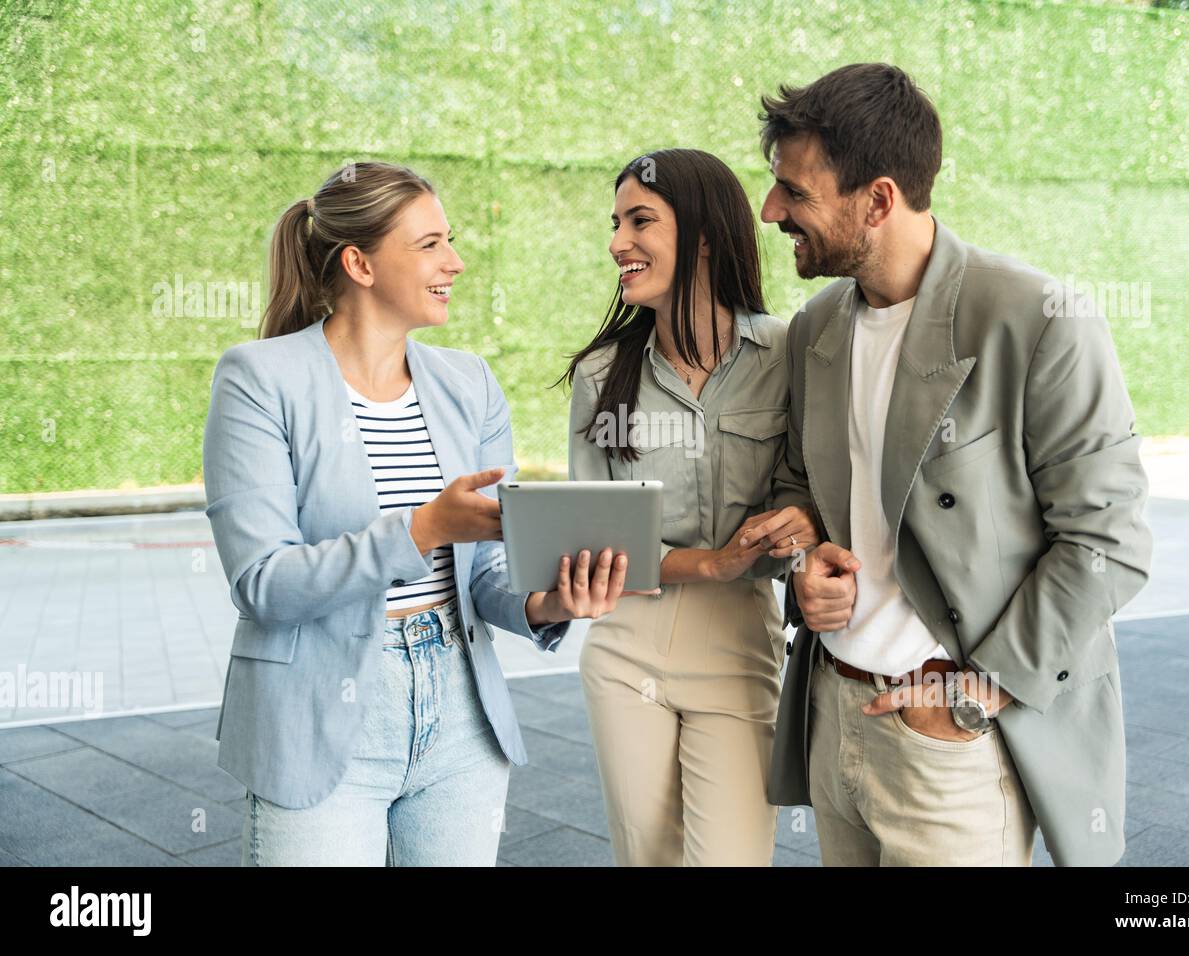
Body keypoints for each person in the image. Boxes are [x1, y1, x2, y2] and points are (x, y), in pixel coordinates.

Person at [760, 64, 1154, 866]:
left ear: (877, 200)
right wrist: (804, 561)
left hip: (951, 742)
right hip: (835, 711)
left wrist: (973, 697)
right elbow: (798, 487)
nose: (771, 211)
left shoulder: (1037, 320)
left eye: (795, 194)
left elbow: (1108, 542)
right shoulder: (814, 327)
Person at [203, 160, 628, 866]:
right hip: (317, 719)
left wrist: (550, 603)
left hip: (460, 714)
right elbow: (263, 582)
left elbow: (488, 573)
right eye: (429, 244)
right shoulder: (258, 378)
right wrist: (424, 528)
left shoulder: (470, 385)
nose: (455, 263)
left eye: (449, 241)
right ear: (359, 264)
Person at [563, 148, 818, 866]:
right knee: (649, 859)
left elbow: (815, 484)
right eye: (615, 223)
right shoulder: (599, 375)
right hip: (626, 647)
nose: (618, 242)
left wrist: (803, 522)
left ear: (704, 235)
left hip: (740, 647)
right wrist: (710, 562)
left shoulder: (789, 352)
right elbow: (591, 540)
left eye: (640, 220)